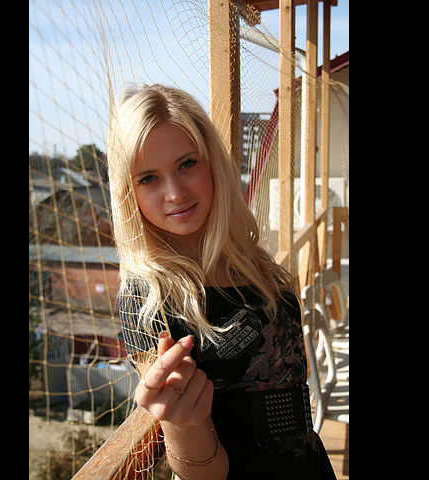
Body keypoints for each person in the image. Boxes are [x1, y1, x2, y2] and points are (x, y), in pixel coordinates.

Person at [107, 83, 336, 480]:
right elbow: (204, 473)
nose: (175, 193)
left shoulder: (250, 260)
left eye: (186, 164)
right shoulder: (148, 299)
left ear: (212, 161)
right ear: (129, 193)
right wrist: (182, 424)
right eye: (149, 178)